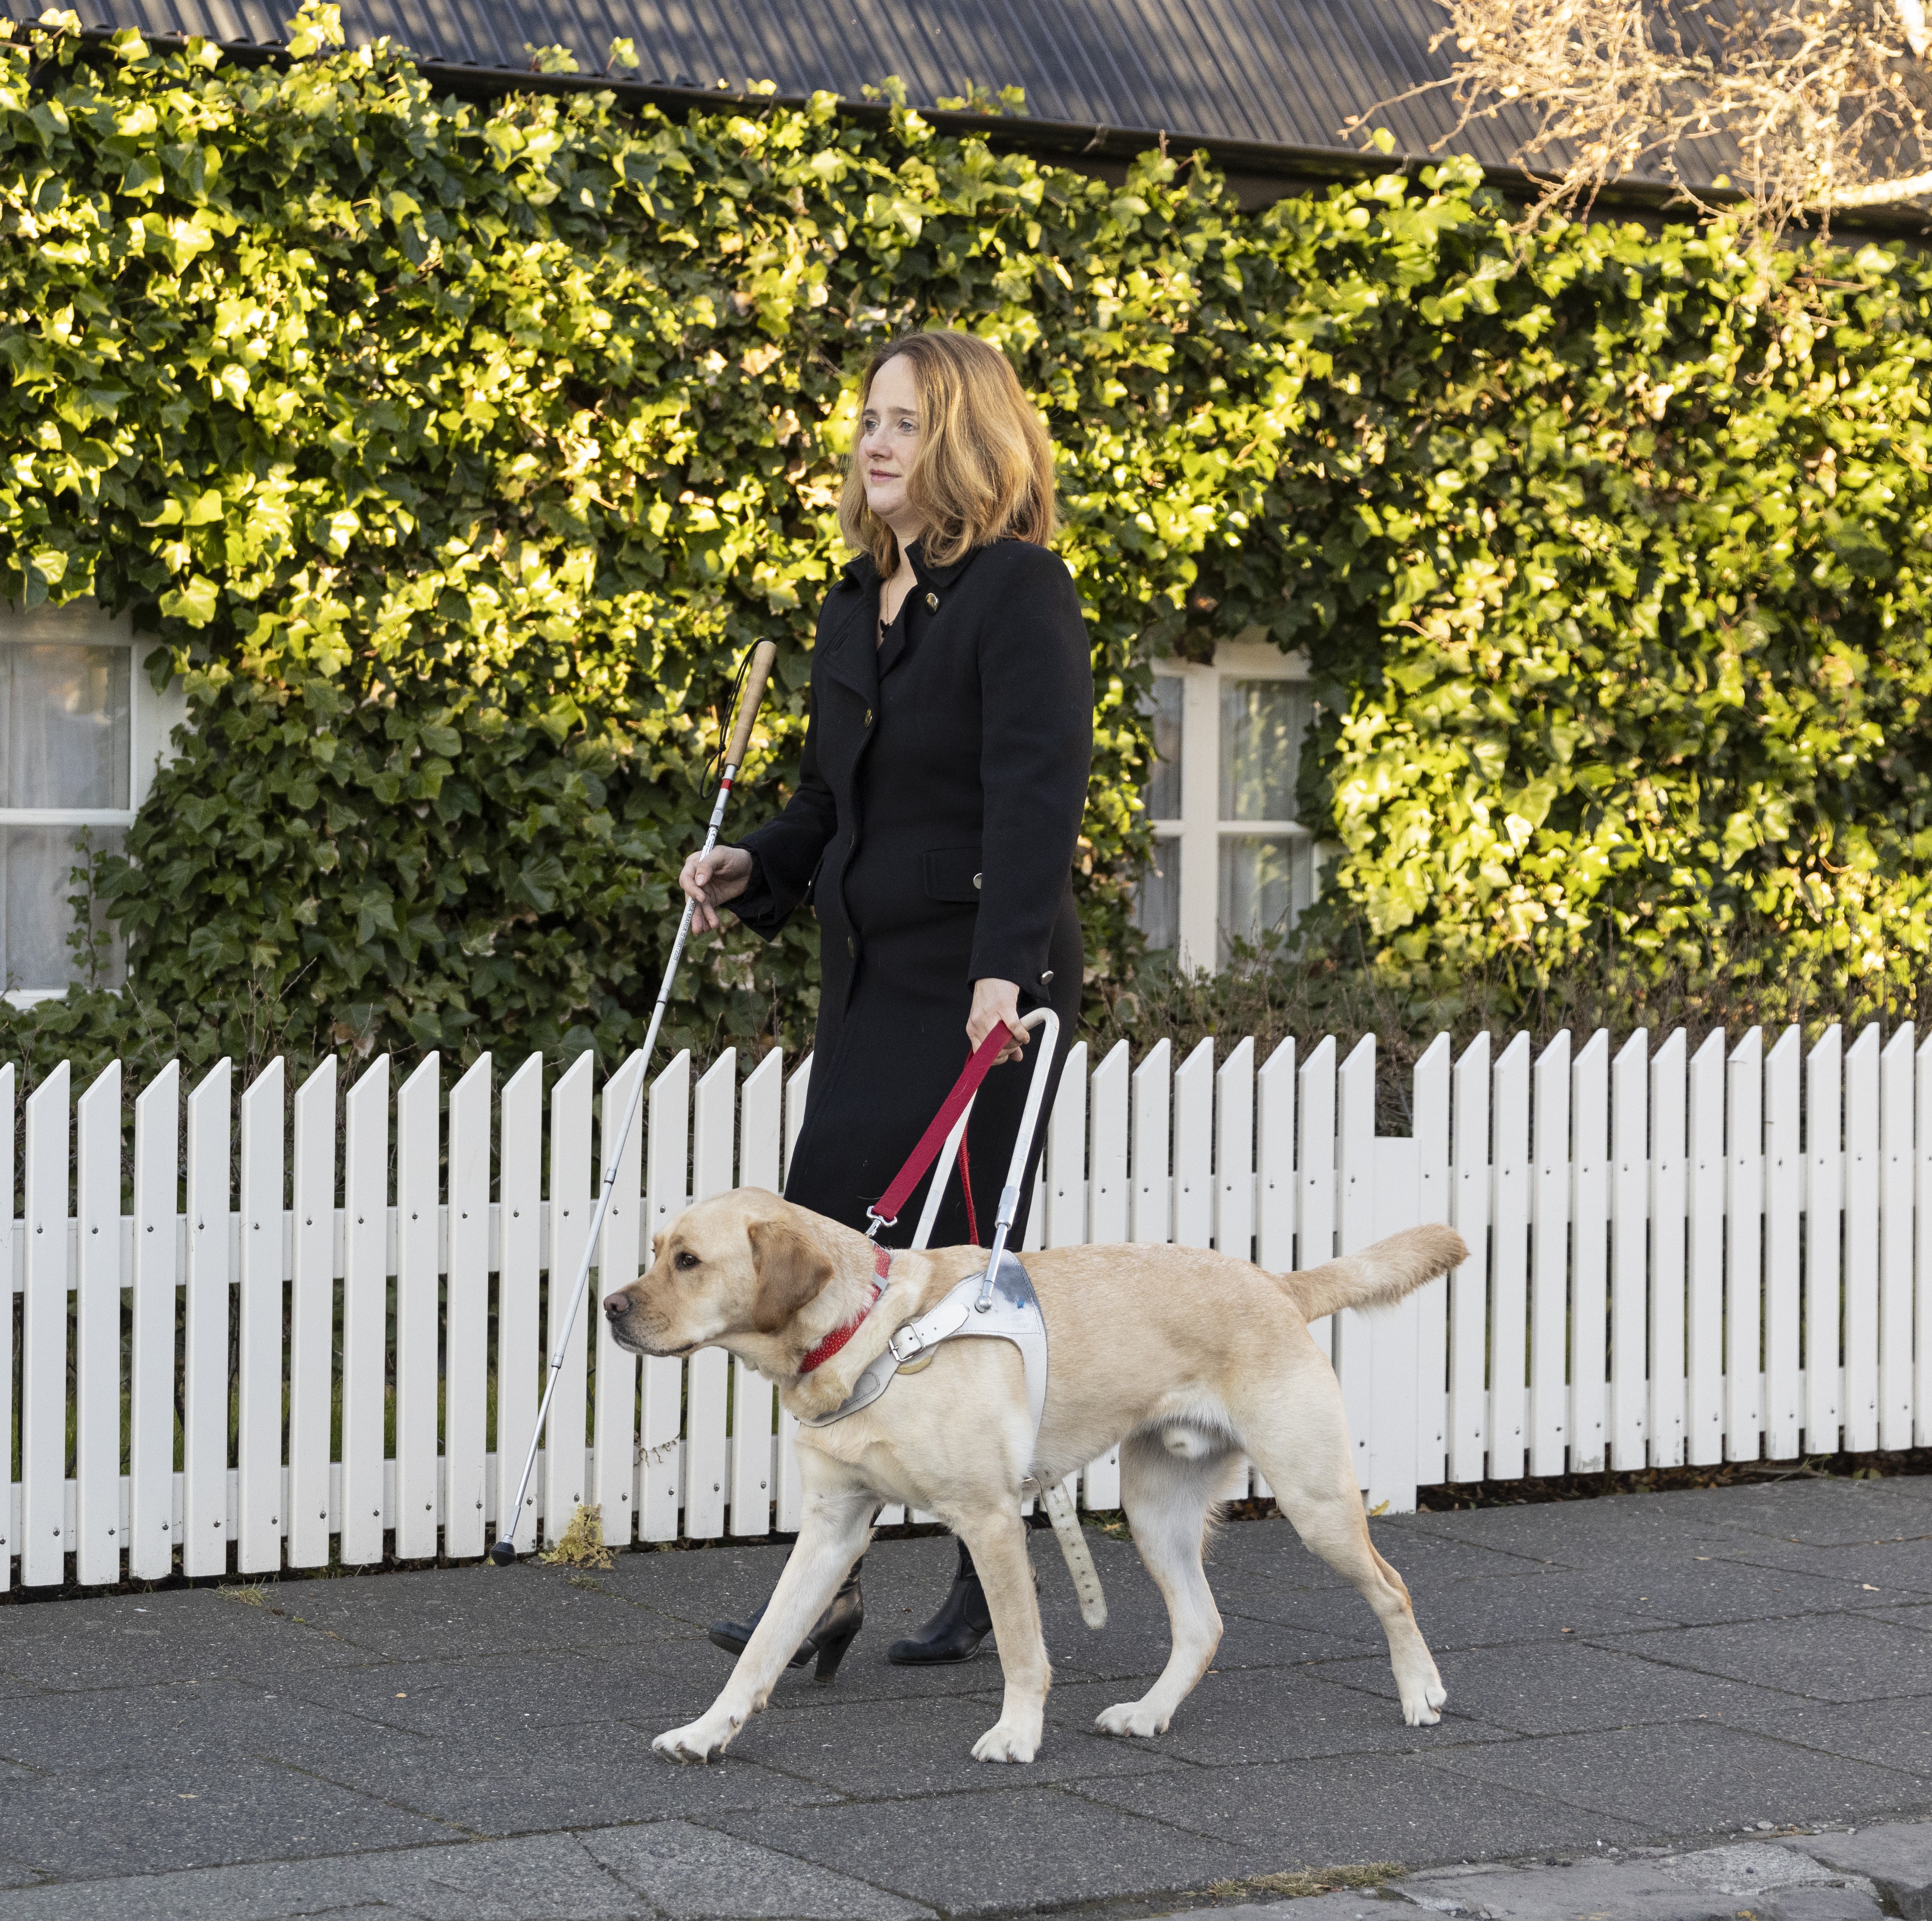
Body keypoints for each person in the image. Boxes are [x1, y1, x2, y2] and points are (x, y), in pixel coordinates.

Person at [678, 328, 1092, 1676]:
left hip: (978, 984)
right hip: (867, 987)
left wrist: (1003, 973)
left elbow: (1039, 795)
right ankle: (837, 1579)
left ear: (965, 440)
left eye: (904, 422)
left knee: (961, 1289)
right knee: (823, 1284)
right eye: (867, 419)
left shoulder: (1020, 592)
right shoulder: (851, 610)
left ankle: (985, 1569)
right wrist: (753, 871)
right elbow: (825, 809)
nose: (873, 443)